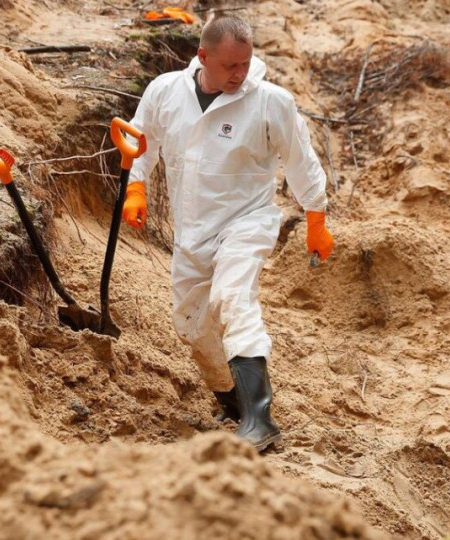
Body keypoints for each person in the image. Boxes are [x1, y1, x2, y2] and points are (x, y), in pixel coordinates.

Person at [121, 15, 334, 452]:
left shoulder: (271, 102)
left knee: (233, 298)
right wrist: (135, 187)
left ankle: (261, 418)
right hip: (191, 230)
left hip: (246, 220)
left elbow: (301, 160)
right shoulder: (165, 91)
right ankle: (233, 401)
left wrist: (316, 216)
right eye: (229, 66)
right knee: (192, 324)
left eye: (246, 63)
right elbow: (139, 142)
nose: (240, 74)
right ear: (202, 57)